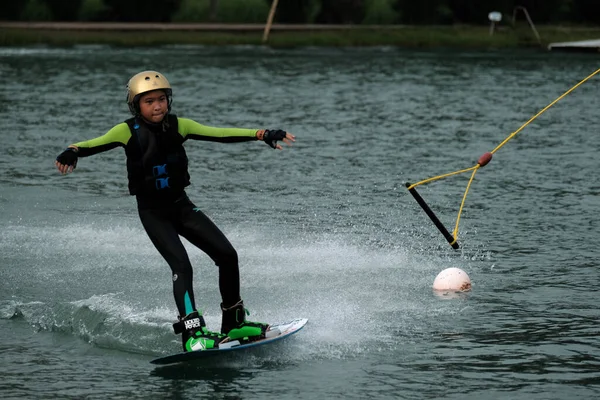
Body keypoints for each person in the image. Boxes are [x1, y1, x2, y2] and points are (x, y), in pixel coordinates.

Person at [55, 70, 295, 352]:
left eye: (162, 99)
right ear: (136, 105)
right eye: (149, 101)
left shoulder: (180, 126)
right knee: (182, 266)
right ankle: (193, 333)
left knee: (227, 255)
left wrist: (261, 134)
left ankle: (233, 322)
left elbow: (219, 133)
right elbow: (92, 144)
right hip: (153, 213)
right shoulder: (126, 131)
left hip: (181, 206)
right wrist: (71, 151)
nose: (157, 106)